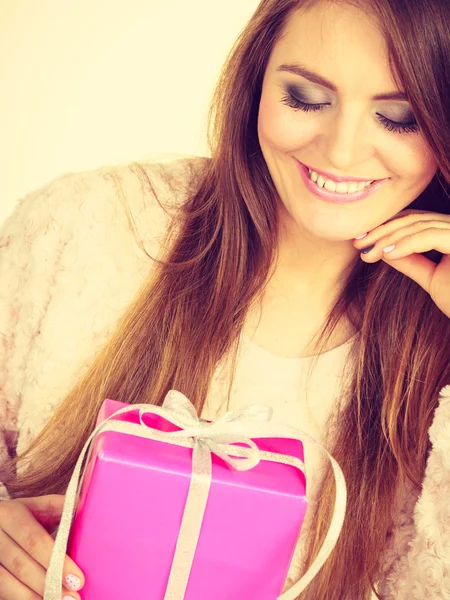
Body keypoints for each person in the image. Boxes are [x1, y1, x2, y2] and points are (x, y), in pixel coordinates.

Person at [0, 0, 449, 598]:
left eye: (399, 118)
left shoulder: (437, 338)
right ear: (257, 82)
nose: (341, 153)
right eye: (306, 99)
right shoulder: (87, 226)